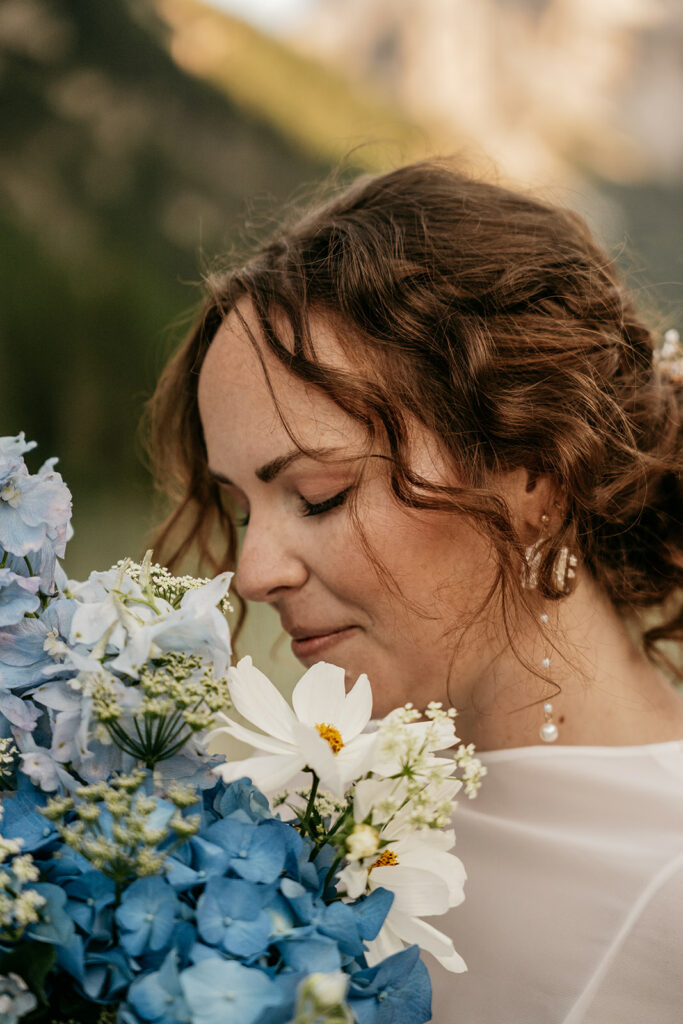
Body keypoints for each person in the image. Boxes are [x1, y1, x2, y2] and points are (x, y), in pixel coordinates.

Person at [146, 161, 683, 1023]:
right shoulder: (274, 814)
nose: (252, 572)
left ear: (535, 474)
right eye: (240, 507)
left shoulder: (669, 894)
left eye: (319, 494)